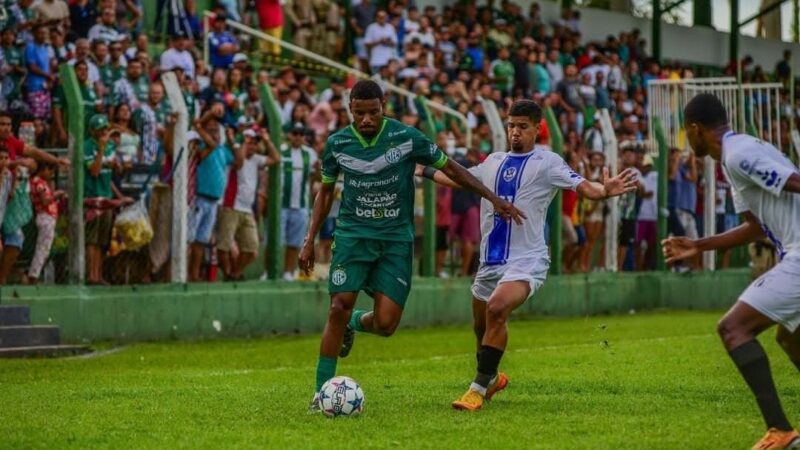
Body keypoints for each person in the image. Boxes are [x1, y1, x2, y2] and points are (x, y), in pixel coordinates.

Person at [299, 79, 523, 413]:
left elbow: (452, 169)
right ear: (350, 110)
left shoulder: (407, 138)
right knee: (337, 306)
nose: (366, 120)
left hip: (394, 242)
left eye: (372, 112)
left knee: (386, 324)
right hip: (353, 237)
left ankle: (354, 323)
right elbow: (326, 192)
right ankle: (320, 394)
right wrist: (309, 240)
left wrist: (492, 197)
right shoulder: (337, 144)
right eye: (359, 113)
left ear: (383, 106)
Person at [421, 100, 636, 411]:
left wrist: (603, 189)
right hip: (490, 262)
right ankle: (492, 378)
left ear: (537, 129)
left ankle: (477, 389)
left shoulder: (548, 163)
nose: (515, 132)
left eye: (523, 127)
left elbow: (583, 186)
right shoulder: (493, 161)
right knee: (480, 329)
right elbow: (457, 178)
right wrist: (422, 170)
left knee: (497, 309)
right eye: (511, 125)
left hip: (527, 260)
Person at [663, 93, 800, 450]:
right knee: (790, 338)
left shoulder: (739, 154)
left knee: (733, 328)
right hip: (791, 255)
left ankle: (780, 430)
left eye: (685, 132)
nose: (686, 140)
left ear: (695, 129)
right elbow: (756, 227)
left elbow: (795, 181)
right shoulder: (737, 154)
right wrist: (700, 245)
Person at [188, 105, 244, 282]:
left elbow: (239, 162)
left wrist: (232, 140)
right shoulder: (202, 147)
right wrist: (207, 118)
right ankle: (186, 274)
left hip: (213, 201)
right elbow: (198, 127)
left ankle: (195, 276)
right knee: (190, 239)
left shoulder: (222, 149)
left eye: (216, 129)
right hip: (199, 198)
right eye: (210, 128)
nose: (215, 131)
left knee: (201, 241)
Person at [218, 127, 279, 281]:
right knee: (223, 246)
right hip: (231, 206)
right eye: (249, 142)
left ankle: (235, 273)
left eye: (254, 143)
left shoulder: (256, 159)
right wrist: (241, 142)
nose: (252, 146)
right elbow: (239, 162)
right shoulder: (234, 155)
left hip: (246, 210)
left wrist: (267, 140)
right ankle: (227, 274)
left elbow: (276, 158)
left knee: (252, 250)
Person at [83, 114, 132, 285]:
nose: (104, 132)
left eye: (105, 128)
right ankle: (91, 275)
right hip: (93, 197)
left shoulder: (111, 146)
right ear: (92, 131)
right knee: (93, 239)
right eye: (100, 130)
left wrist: (119, 168)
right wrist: (101, 151)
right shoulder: (87, 147)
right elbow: (94, 171)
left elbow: (111, 175)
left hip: (107, 196)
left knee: (104, 240)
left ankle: (99, 274)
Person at [279, 123, 318, 281]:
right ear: (289, 135)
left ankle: (288, 271)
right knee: (275, 242)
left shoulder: (310, 154)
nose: (298, 137)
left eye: (301, 134)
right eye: (295, 133)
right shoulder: (281, 151)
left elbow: (316, 174)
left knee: (294, 242)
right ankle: (270, 271)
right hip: (281, 204)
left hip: (301, 205)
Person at [25, 163, 64, 284]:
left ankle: (34, 273)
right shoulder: (38, 182)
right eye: (50, 170)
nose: (51, 174)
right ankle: (33, 275)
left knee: (45, 249)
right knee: (42, 249)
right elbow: (45, 201)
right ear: (44, 169)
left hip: (48, 217)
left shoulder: (41, 182)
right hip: (45, 216)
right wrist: (56, 195)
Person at [636, 154, 657, 271]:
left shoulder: (655, 176)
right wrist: (643, 194)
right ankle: (638, 267)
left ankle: (645, 267)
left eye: (647, 166)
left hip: (653, 216)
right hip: (641, 216)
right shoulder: (637, 176)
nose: (645, 167)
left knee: (651, 244)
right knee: (638, 243)